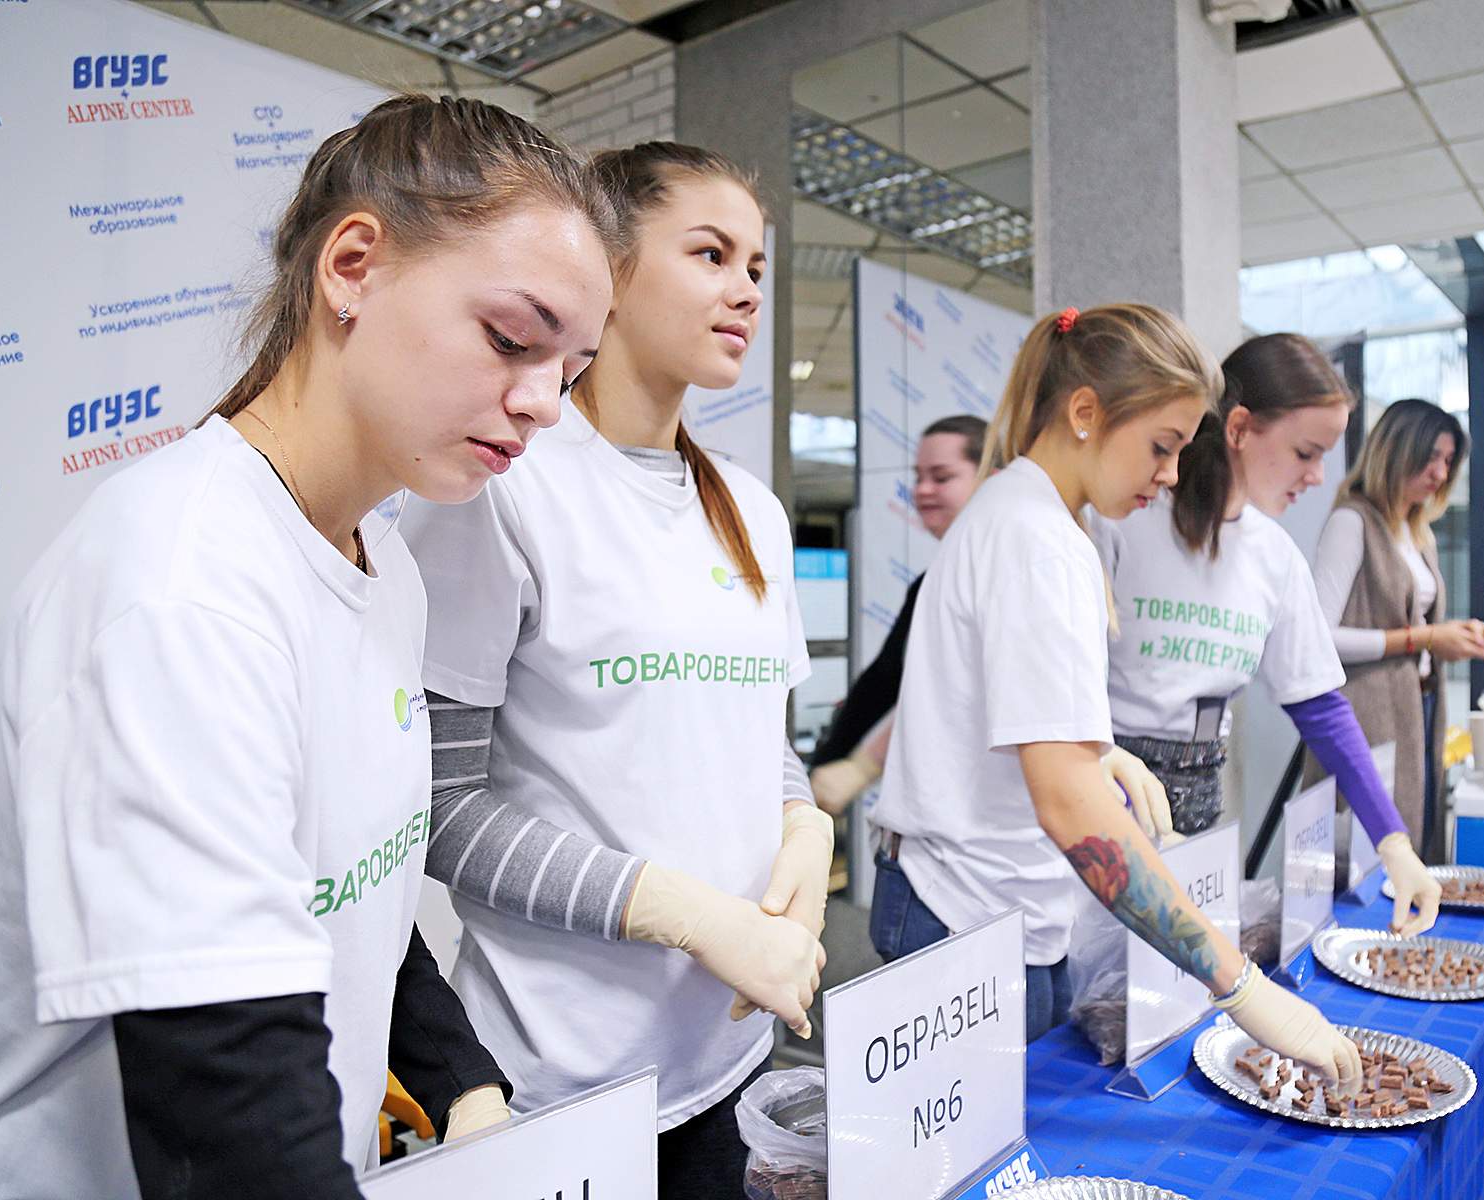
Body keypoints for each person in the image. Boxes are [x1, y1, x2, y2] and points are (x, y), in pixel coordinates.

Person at [0, 96, 619, 1199]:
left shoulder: (382, 567)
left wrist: (456, 1076)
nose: (545, 402)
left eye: (573, 366)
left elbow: (343, 886)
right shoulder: (183, 586)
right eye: (512, 337)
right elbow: (224, 1086)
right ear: (352, 266)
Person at [398, 142, 827, 1198]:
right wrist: (685, 912)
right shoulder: (504, 485)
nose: (745, 289)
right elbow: (443, 812)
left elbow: (755, 743)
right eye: (712, 253)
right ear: (614, 272)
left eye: (758, 267)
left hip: (728, 1061)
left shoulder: (753, 511)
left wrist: (804, 822)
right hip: (559, 1083)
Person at [867, 303, 1365, 1092]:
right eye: (1162, 447)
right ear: (1086, 412)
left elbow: (1013, 715)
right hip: (962, 914)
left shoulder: (1023, 511)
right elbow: (1069, 810)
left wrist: (1099, 751)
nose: (1171, 476)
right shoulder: (1040, 541)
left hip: (979, 903)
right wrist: (1238, 983)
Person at [1093, 333, 1439, 936]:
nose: (1317, 475)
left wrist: (1394, 842)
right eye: (1306, 452)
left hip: (1197, 807)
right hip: (1102, 803)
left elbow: (1322, 708)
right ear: (1240, 428)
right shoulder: (1125, 520)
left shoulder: (1274, 557)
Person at [1312, 398, 1484, 861]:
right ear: (1397, 450)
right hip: (1366, 712)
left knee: (1414, 829)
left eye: (1448, 462)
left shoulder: (1415, 532)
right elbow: (1317, 637)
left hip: (1418, 706)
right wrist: (1428, 638)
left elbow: (1413, 624)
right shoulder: (1352, 522)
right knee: (1370, 847)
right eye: (1430, 456)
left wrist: (1446, 640)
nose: (1439, 473)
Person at [809, 414, 988, 814]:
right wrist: (826, 763)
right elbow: (883, 681)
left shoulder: (996, 579)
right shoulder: (931, 583)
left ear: (989, 479)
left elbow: (956, 696)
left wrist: (862, 766)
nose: (922, 490)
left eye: (941, 477)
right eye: (919, 476)